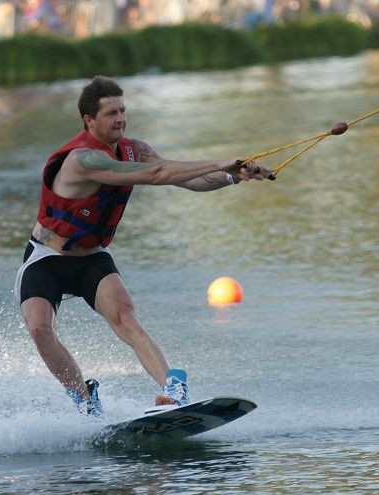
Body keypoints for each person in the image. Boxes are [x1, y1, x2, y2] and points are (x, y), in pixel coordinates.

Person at [15, 76, 271, 417]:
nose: (120, 119)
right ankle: (83, 397)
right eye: (110, 113)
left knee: (125, 319)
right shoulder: (81, 160)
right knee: (39, 328)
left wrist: (233, 176)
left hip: (91, 257)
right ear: (89, 121)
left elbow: (187, 179)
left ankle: (173, 389)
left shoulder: (136, 149)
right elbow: (156, 175)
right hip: (47, 257)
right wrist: (220, 161)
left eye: (123, 111)